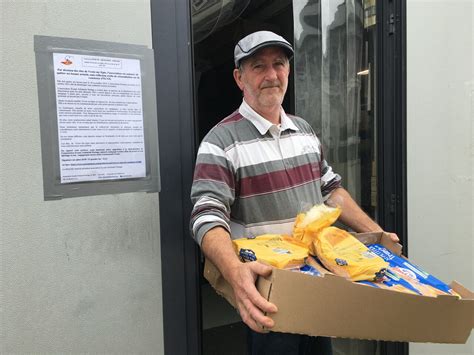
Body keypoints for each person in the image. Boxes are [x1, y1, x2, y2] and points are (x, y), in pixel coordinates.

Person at [190, 30, 399, 355]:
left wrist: (375, 234)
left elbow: (332, 191)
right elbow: (206, 215)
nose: (272, 75)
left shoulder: (304, 131)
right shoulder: (220, 142)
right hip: (270, 294)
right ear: (239, 77)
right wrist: (235, 274)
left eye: (279, 64)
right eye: (258, 66)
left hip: (319, 285)